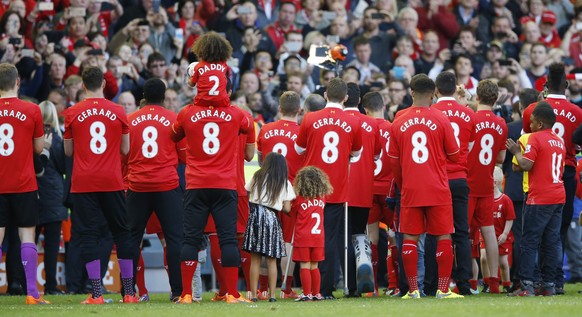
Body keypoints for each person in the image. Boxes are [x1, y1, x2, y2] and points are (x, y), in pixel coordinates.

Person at [171, 33, 253, 304]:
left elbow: (173, 135)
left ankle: (184, 294)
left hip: (196, 184)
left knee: (190, 238)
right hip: (225, 184)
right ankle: (231, 293)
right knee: (228, 238)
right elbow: (248, 128)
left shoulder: (186, 113)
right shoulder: (237, 114)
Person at [63, 66, 136, 304]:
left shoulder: (72, 112)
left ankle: (96, 294)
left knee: (88, 236)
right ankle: (129, 293)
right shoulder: (118, 111)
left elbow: (68, 151)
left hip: (83, 182)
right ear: (103, 85)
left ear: (83, 85)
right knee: (122, 233)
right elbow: (125, 150)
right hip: (112, 180)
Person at [387, 74, 462, 299]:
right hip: (438, 187)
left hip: (411, 188)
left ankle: (413, 290)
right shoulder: (441, 119)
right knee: (443, 237)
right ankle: (442, 289)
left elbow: (393, 161)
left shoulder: (398, 120)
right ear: (433, 95)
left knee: (409, 238)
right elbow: (455, 155)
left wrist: (403, 184)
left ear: (411, 93)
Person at [295, 78, 363, 300]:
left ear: (325, 95)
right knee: (331, 239)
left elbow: (298, 148)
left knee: (310, 235)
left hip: (310, 188)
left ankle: (311, 288)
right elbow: (357, 154)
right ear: (345, 98)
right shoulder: (353, 122)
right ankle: (326, 289)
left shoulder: (310, 118)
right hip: (336, 189)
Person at [522, 63, 582, 294]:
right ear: (566, 85)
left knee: (533, 232)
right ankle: (554, 281)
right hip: (566, 174)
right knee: (559, 232)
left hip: (539, 175)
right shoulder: (577, 112)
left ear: (545, 83)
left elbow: (528, 141)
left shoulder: (533, 110)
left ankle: (533, 280)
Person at [125, 78, 186, 302]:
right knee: (174, 239)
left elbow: (123, 152)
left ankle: (129, 292)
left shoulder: (130, 119)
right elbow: (183, 155)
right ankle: (178, 291)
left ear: (144, 95)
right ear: (163, 96)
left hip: (137, 185)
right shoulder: (173, 119)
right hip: (167, 185)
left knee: (131, 239)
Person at [0, 63, 49, 304]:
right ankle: (32, 294)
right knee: (27, 236)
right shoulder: (32, 110)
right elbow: (39, 148)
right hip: (24, 183)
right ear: (17, 82)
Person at [507, 101, 566, 296]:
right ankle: (549, 285)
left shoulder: (534, 138)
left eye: (531, 122)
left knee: (529, 241)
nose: (529, 126)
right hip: (558, 196)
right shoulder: (559, 140)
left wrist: (516, 151)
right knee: (551, 241)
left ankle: (526, 285)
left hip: (540, 197)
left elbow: (525, 165)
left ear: (539, 124)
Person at [427, 72, 475, 295]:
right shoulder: (468, 113)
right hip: (459, 179)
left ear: (436, 91)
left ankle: (432, 282)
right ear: (455, 90)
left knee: (432, 232)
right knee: (462, 233)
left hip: (436, 180)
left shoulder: (430, 113)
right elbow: (469, 149)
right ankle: (464, 284)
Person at [256, 91, 303, 298]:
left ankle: (263, 288)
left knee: (266, 238)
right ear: (299, 110)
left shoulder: (265, 130)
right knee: (287, 241)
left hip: (267, 190)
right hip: (291, 191)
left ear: (280, 108)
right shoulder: (302, 132)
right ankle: (285, 287)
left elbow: (260, 160)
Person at [466, 79, 508, 294]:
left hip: (467, 182)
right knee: (489, 232)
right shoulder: (501, 123)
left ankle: (467, 281)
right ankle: (493, 282)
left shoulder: (470, 118)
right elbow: (500, 156)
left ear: (478, 96)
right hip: (487, 182)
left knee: (462, 232)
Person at [243, 152, 296, 302]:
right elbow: (287, 208)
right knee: (272, 260)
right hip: (272, 218)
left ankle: (253, 295)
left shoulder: (257, 176)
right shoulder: (284, 182)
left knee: (255, 259)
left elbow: (248, 193)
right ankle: (272, 295)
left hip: (255, 216)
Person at [344, 83, 381, 296]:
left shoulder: (338, 122)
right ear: (359, 101)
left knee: (340, 238)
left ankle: (346, 284)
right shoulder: (371, 123)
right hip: (364, 190)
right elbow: (376, 155)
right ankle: (362, 273)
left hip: (340, 190)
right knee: (359, 234)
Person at [362, 91, 395, 296]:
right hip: (390, 190)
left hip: (369, 189)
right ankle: (394, 284)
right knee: (394, 237)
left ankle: (372, 288)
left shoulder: (365, 128)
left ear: (365, 110)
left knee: (371, 238)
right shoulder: (393, 128)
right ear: (383, 106)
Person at [36, 100, 67, 296]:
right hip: (55, 196)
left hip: (33, 193)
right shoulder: (57, 139)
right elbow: (64, 168)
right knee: (52, 245)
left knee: (26, 241)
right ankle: (50, 285)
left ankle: (21, 283)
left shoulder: (33, 138)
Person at [293, 166, 333, 301]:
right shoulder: (322, 199)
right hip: (318, 237)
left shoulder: (299, 199)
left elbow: (290, 211)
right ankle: (316, 293)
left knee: (304, 265)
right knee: (314, 266)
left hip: (303, 237)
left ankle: (306, 293)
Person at [478, 166, 515, 294]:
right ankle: (487, 283)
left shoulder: (505, 200)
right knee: (483, 258)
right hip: (485, 236)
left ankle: (506, 284)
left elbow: (510, 218)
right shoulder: (483, 200)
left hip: (501, 237)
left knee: (503, 263)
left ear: (495, 182)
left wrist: (505, 233)